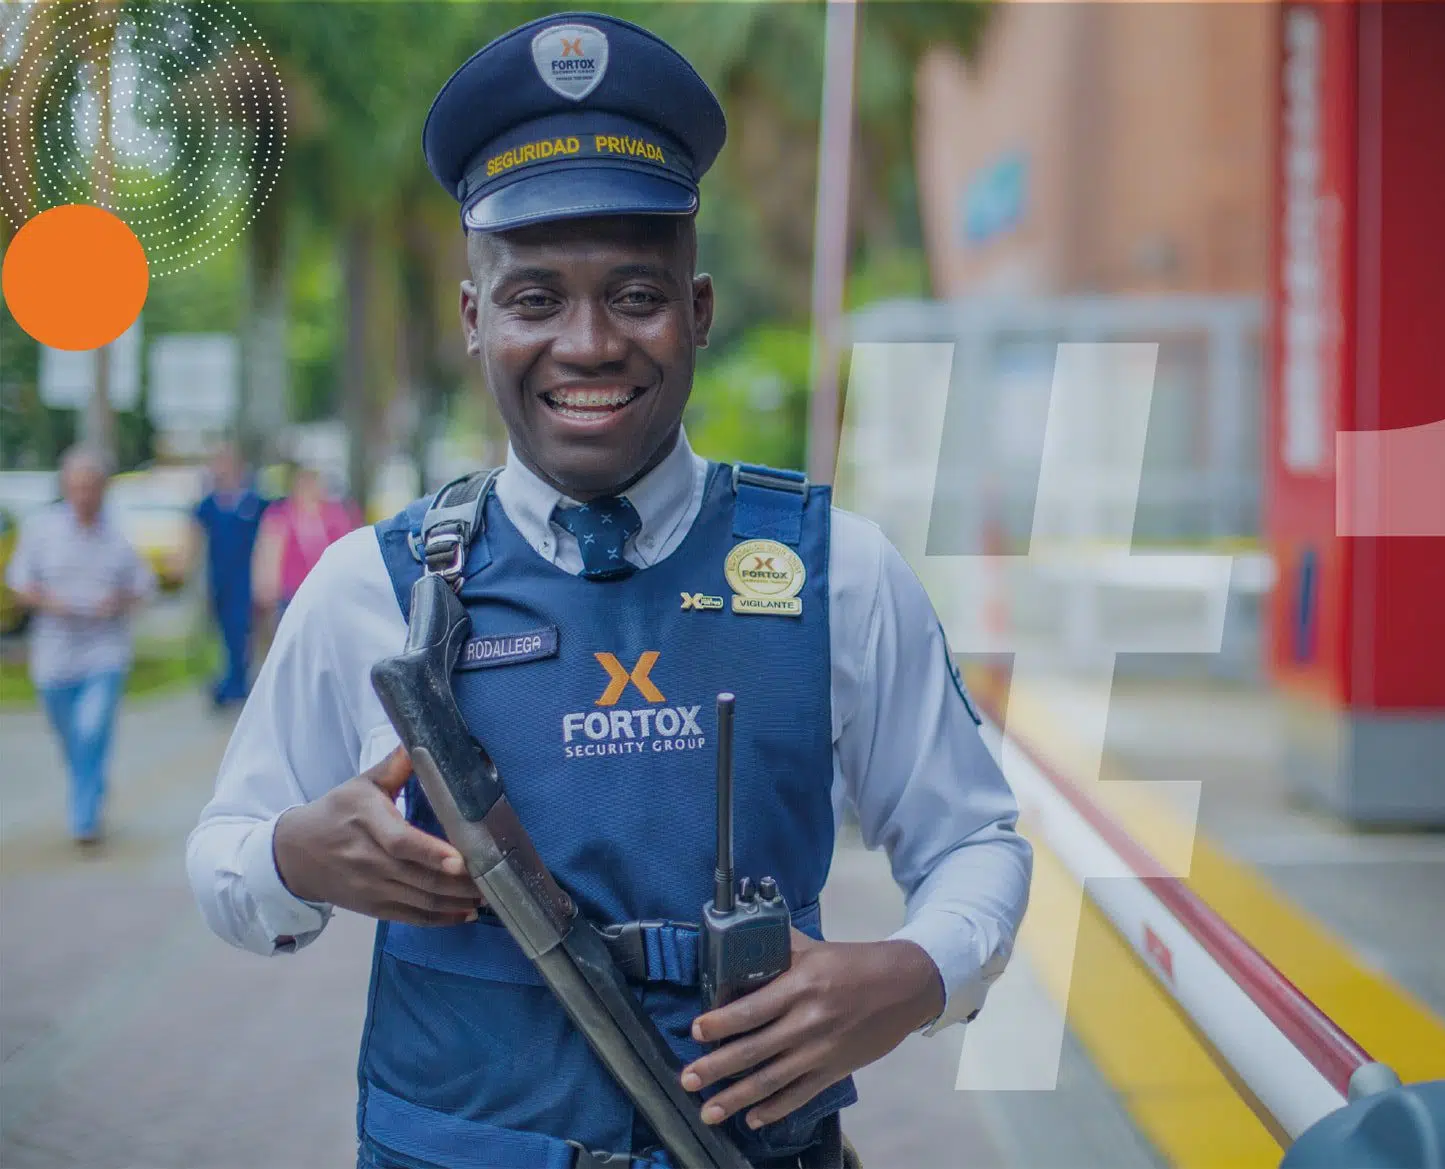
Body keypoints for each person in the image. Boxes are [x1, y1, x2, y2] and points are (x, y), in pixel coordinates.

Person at [185, 13, 1033, 1169]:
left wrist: (919, 971)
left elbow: (974, 837)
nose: (587, 344)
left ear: (697, 310)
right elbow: (223, 855)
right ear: (475, 319)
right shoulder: (369, 587)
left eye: (634, 295)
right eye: (535, 299)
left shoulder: (837, 571)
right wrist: (291, 855)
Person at [8, 445, 155, 846]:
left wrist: (118, 603)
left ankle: (83, 819)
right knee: (72, 736)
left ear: (103, 490)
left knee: (91, 730)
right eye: (77, 487)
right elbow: (19, 582)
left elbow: (144, 587)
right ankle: (90, 785)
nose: (85, 495)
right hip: (54, 655)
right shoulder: (42, 530)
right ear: (65, 488)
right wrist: (48, 601)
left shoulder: (117, 536)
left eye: (92, 487)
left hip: (103, 651)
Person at [191, 442, 266, 708]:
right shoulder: (209, 505)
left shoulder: (254, 503)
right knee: (222, 631)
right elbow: (195, 539)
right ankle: (227, 681)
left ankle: (238, 683)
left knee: (241, 631)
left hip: (244, 578)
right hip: (218, 578)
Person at [252, 462, 361, 616]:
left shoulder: (334, 515)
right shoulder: (280, 514)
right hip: (291, 592)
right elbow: (269, 551)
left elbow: (346, 549)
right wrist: (266, 585)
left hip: (326, 591)